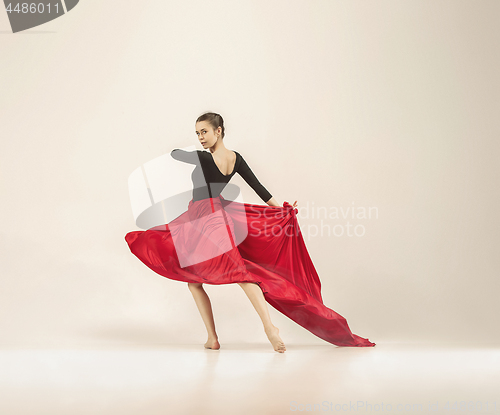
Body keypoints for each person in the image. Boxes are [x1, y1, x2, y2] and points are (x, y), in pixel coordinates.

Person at [125, 112, 375, 353]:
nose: (200, 137)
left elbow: (175, 154)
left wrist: (195, 151)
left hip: (205, 217)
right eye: (197, 133)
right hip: (211, 215)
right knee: (195, 280)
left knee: (239, 273)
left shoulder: (202, 158)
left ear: (218, 131)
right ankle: (212, 338)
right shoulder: (236, 159)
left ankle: (269, 327)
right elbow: (259, 188)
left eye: (204, 132)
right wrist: (282, 209)